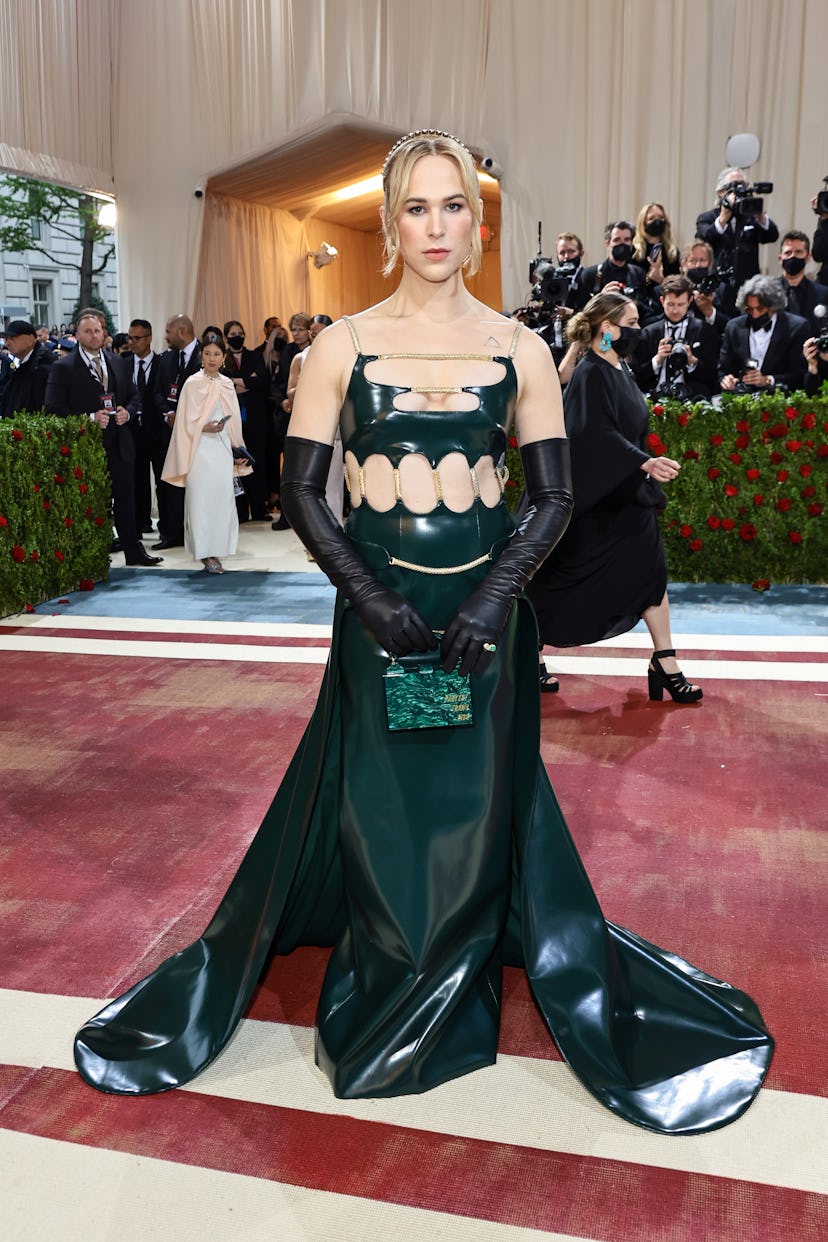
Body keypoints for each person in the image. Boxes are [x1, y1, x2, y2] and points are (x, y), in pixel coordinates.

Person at [74, 131, 772, 1137]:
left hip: (487, 622)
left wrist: (494, 602)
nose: (436, 226)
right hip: (377, 616)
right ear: (391, 222)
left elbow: (552, 497)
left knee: (476, 803)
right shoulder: (341, 345)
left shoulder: (522, 346)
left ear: (477, 225)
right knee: (385, 803)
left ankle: (454, 972)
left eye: (454, 207)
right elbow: (304, 494)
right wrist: (367, 596)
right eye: (416, 207)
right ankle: (394, 970)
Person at [529, 289, 703, 704]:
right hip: (596, 502)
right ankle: (528, 652)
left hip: (627, 497)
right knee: (558, 582)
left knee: (651, 572)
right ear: (607, 329)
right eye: (632, 323)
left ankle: (665, 661)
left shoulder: (619, 366)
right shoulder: (592, 371)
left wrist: (640, 465)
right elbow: (593, 435)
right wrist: (644, 462)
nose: (639, 330)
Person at [44, 309, 162, 567]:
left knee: (125, 497)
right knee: (92, 502)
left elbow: (134, 396)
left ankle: (134, 551)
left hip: (120, 442)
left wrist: (127, 413)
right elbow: (53, 408)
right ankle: (93, 554)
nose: (94, 335)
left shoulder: (118, 361)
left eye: (98, 330)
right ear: (77, 335)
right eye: (88, 331)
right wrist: (89, 417)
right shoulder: (63, 367)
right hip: (86, 446)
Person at [161, 330, 251, 574]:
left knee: (221, 501)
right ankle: (205, 553)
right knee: (201, 501)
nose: (212, 358)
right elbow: (183, 422)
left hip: (221, 449)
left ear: (224, 357)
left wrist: (237, 447)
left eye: (217, 354)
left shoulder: (227, 384)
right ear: (201, 356)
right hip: (199, 449)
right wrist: (204, 427)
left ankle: (218, 549)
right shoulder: (192, 383)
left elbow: (234, 423)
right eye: (208, 354)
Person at [695, 167, 779, 312]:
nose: (739, 190)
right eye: (733, 187)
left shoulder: (752, 218)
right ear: (720, 192)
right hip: (719, 287)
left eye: (743, 186)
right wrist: (723, 217)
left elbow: (771, 235)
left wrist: (760, 215)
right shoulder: (707, 218)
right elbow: (704, 239)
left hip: (748, 287)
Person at [151, 314, 202, 550]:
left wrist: (183, 417)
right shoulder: (166, 359)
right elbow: (156, 393)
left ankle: (198, 533)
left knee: (197, 485)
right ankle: (171, 533)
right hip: (167, 433)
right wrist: (167, 414)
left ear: (181, 331)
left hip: (197, 435)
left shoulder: (207, 356)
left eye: (168, 331)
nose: (165, 336)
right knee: (168, 485)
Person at [632, 274, 720, 400]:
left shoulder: (704, 330)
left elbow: (712, 375)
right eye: (671, 304)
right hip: (655, 398)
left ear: (690, 301)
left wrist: (692, 361)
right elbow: (637, 376)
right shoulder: (649, 332)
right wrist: (657, 360)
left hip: (692, 399)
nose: (675, 310)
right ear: (662, 301)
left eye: (681, 304)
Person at [718, 274, 809, 393]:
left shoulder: (797, 327)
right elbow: (723, 370)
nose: (755, 314)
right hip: (741, 397)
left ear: (773, 306)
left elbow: (799, 375)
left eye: (760, 309)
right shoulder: (733, 327)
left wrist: (767, 380)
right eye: (750, 309)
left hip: (779, 398)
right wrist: (726, 379)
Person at [221, 319, 271, 521]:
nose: (237, 336)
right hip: (233, 422)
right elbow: (226, 385)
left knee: (258, 464)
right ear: (226, 337)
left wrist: (239, 381)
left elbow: (261, 381)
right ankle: (240, 512)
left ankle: (260, 509)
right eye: (232, 334)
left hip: (256, 419)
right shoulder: (222, 358)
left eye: (240, 333)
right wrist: (246, 381)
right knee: (237, 465)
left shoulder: (255, 356)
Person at [124, 318, 160, 536]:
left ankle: (166, 524)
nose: (132, 342)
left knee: (161, 479)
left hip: (156, 430)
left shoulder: (162, 363)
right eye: (130, 337)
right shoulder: (122, 363)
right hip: (130, 430)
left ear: (149, 339)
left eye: (137, 338)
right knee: (137, 479)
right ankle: (141, 521)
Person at [0, 319, 56, 418]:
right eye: (6, 339)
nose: (7, 343)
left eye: (12, 338)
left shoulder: (42, 367)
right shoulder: (28, 364)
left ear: (30, 340)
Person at [776, 230, 828, 332]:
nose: (793, 257)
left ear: (808, 258)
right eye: (788, 253)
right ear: (780, 258)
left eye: (798, 252)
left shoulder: (823, 294)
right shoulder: (767, 293)